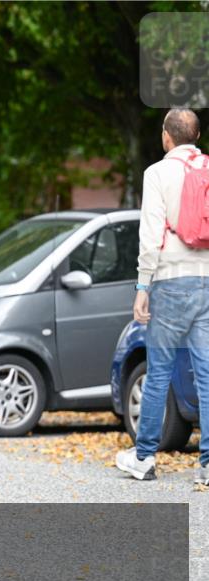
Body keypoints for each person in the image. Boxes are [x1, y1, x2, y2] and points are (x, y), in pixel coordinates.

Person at [116, 108, 209, 485]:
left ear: (166, 137)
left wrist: (143, 286)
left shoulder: (156, 173)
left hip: (171, 282)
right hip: (207, 282)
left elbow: (151, 232)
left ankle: (144, 457)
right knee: (207, 374)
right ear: (197, 137)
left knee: (158, 373)